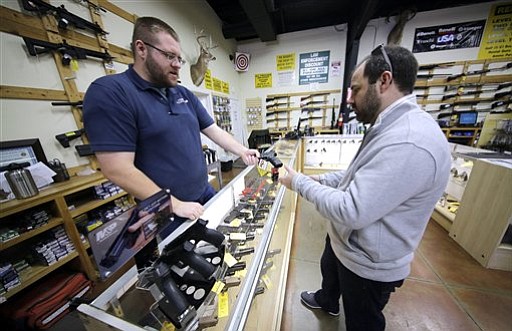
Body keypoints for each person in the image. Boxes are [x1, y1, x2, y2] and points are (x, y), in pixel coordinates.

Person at [279, 45, 451, 330]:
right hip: (348, 244)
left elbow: (351, 210)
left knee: (363, 322)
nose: (349, 99)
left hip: (368, 265)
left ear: (384, 81)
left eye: (355, 89)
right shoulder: (388, 124)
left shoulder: (407, 140)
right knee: (329, 269)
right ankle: (327, 300)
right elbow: (357, 174)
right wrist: (317, 179)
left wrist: (298, 183)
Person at [83, 17, 259, 262]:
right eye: (169, 56)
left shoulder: (182, 93)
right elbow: (117, 168)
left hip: (204, 193)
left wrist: (242, 150)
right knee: (188, 269)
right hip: (167, 210)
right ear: (141, 48)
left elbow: (213, 129)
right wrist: (174, 204)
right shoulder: (112, 92)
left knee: (223, 248)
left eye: (180, 58)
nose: (177, 65)